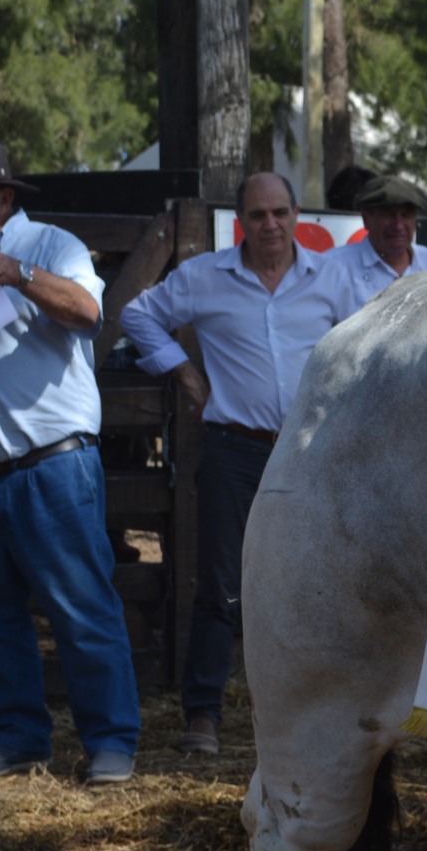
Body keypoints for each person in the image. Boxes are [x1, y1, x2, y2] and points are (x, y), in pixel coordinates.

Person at [0, 136, 141, 785]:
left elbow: (87, 311)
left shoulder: (52, 245)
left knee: (81, 607)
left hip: (47, 466)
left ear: (4, 197)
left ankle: (110, 740)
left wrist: (19, 275)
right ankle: (20, 736)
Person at [119, 172, 348, 756]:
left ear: (298, 214)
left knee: (316, 581)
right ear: (240, 220)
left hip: (310, 449)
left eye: (279, 212)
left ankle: (313, 717)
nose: (269, 224)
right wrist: (183, 369)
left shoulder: (332, 277)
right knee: (221, 582)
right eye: (257, 214)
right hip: (234, 448)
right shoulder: (205, 277)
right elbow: (136, 314)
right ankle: (203, 716)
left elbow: (363, 341)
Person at [321, 173, 427, 317]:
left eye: (406, 215)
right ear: (366, 219)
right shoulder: (334, 267)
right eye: (388, 215)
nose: (398, 226)